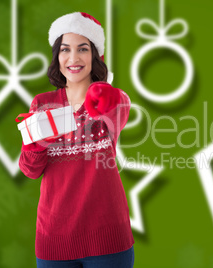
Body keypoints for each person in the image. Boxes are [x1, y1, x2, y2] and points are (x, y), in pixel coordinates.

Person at [18, 12, 134, 268]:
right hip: (54, 238)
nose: (73, 58)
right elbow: (29, 170)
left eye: (83, 49)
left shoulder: (111, 98)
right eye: (65, 49)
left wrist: (106, 97)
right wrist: (35, 144)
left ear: (95, 55)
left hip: (108, 238)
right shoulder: (42, 104)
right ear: (56, 56)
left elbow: (120, 108)